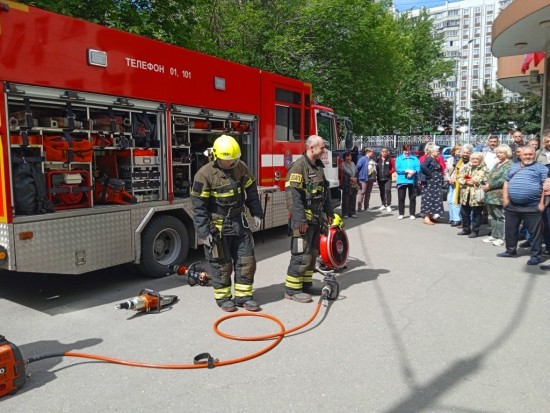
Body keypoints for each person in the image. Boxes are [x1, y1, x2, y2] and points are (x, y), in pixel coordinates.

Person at [191, 134, 264, 312]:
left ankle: (243, 296)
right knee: (221, 264)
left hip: (240, 223)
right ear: (216, 156)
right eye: (227, 161)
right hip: (218, 227)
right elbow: (199, 207)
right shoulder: (204, 174)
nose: (231, 164)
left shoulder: (241, 167)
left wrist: (257, 213)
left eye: (234, 160)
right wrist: (204, 233)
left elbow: (251, 191)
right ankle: (224, 298)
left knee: (246, 260)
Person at [285, 135, 334, 303]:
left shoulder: (318, 166)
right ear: (311, 148)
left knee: (312, 254)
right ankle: (292, 289)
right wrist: (299, 222)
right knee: (301, 255)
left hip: (316, 219)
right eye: (321, 147)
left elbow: (325, 191)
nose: (324, 150)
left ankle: (306, 285)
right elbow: (293, 197)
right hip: (303, 221)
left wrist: (329, 213)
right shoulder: (298, 167)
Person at [497, 145, 547, 265]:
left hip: (532, 205)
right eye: (525, 154)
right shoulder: (513, 167)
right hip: (512, 205)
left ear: (534, 155)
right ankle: (510, 251)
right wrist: (505, 199)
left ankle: (536, 255)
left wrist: (541, 203)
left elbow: (545, 187)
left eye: (531, 154)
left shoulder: (541, 169)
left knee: (535, 233)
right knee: (511, 230)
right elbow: (506, 183)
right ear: (520, 155)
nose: (528, 156)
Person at [480, 144, 513, 247]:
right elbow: (490, 176)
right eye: (497, 152)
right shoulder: (497, 164)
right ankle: (494, 235)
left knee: (500, 216)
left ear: (507, 153)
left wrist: (490, 186)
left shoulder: (509, 164)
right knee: (493, 215)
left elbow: (503, 179)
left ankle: (501, 237)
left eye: (501, 152)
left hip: (500, 194)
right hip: (491, 194)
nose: (498, 154)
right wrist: (485, 184)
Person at [456, 152, 488, 238]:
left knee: (477, 214)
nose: (475, 160)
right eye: (473, 159)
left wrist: (476, 181)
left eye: (477, 159)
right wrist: (466, 181)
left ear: (480, 160)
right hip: (466, 193)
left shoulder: (484, 168)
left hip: (476, 194)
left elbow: (485, 181)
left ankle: (475, 231)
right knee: (464, 213)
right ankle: (466, 229)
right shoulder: (466, 167)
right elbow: (460, 177)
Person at [420, 145, 444, 225]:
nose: (439, 152)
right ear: (432, 152)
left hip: (435, 183)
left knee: (434, 199)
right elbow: (423, 166)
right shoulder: (430, 158)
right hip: (430, 183)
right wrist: (429, 175)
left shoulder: (434, 159)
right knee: (428, 199)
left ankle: (430, 216)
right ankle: (426, 218)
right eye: (437, 151)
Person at [395, 144, 420, 220]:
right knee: (401, 198)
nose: (407, 152)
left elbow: (418, 167)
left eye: (408, 151)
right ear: (403, 150)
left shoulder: (414, 158)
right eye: (405, 151)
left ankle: (412, 214)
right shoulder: (399, 158)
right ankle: (401, 213)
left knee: (412, 198)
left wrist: (414, 172)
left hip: (412, 181)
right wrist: (406, 171)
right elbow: (398, 169)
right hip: (402, 181)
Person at [444, 145, 462, 227]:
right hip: (450, 182)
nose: (458, 151)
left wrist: (456, 179)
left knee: (455, 201)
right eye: (457, 149)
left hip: (458, 183)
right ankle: (451, 218)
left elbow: (464, 173)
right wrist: (448, 178)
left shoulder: (463, 160)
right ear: (454, 151)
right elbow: (446, 171)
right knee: (449, 201)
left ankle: (457, 219)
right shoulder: (450, 160)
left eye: (460, 149)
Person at [375, 147, 395, 212]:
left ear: (387, 152)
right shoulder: (378, 159)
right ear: (381, 152)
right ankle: (383, 204)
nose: (384, 153)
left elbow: (394, 168)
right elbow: (375, 167)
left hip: (388, 178)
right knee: (382, 191)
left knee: (388, 190)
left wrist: (389, 172)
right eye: (383, 152)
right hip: (380, 178)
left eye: (385, 152)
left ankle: (388, 205)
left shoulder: (390, 159)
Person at [339, 151, 358, 218]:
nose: (349, 158)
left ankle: (352, 212)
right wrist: (350, 178)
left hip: (354, 183)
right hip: (346, 183)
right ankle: (345, 213)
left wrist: (355, 178)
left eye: (350, 156)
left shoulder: (353, 163)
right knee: (346, 199)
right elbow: (343, 173)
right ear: (344, 157)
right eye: (347, 156)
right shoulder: (342, 164)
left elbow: (356, 172)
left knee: (353, 198)